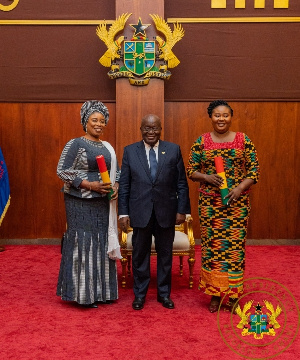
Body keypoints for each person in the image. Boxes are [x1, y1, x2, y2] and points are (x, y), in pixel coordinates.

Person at [187, 100, 260, 313]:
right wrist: (207, 177)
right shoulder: (202, 141)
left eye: (225, 115)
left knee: (235, 250)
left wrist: (238, 189)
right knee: (213, 248)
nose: (221, 119)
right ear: (211, 117)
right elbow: (191, 170)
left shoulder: (243, 140)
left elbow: (254, 171)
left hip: (237, 204)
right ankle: (215, 295)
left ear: (231, 117)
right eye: (217, 115)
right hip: (211, 204)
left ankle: (233, 294)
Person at [118, 114, 191, 310]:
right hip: (139, 212)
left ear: (160, 129)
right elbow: (124, 185)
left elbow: (181, 183)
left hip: (166, 212)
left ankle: (164, 294)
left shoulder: (173, 150)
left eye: (155, 128)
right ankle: (140, 295)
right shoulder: (130, 151)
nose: (151, 132)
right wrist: (123, 213)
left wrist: (182, 210)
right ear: (141, 129)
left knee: (165, 255)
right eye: (147, 128)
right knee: (140, 255)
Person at [56, 100, 121, 308]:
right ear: (86, 121)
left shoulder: (107, 147)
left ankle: (103, 292)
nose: (99, 124)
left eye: (102, 121)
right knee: (83, 243)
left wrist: (116, 185)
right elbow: (62, 171)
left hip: (102, 202)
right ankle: (83, 295)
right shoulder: (75, 143)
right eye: (94, 120)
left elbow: (116, 172)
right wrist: (89, 184)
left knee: (101, 242)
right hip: (79, 203)